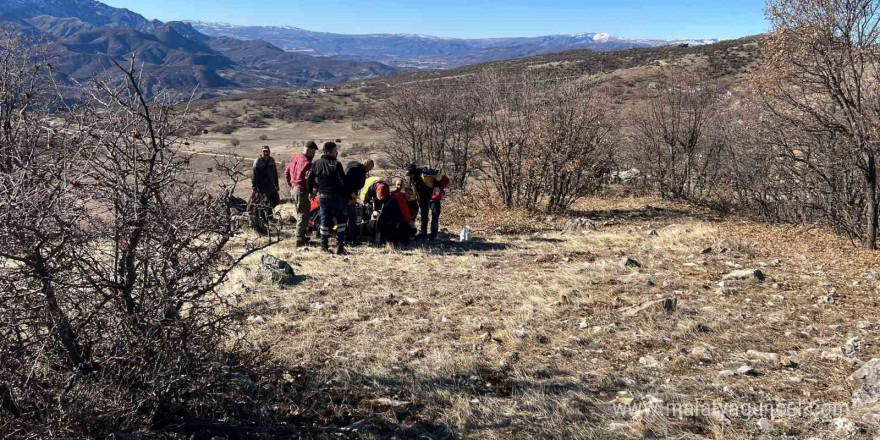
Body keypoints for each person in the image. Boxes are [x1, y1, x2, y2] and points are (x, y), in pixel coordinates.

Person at [307, 142, 349, 254]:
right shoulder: (337, 164)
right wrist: (348, 195)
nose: (337, 152)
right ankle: (340, 246)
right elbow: (343, 182)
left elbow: (309, 179)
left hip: (323, 198)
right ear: (328, 152)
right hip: (337, 197)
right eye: (335, 150)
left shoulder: (317, 163)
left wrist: (311, 193)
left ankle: (324, 246)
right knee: (341, 221)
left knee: (324, 221)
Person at [283, 141, 318, 247]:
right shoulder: (307, 163)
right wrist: (318, 187)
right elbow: (309, 180)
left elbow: (286, 172)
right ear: (310, 150)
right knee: (303, 215)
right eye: (314, 152)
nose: (314, 154)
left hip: (294, 189)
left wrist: (291, 185)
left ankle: (301, 236)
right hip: (302, 190)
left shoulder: (295, 158)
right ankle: (299, 239)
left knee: (300, 214)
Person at [405, 164, 450, 241]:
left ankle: (433, 234)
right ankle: (423, 233)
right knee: (424, 215)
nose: (410, 176)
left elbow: (439, 173)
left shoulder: (425, 172)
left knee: (435, 214)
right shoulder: (412, 178)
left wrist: (437, 186)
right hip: (423, 198)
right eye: (409, 174)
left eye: (411, 173)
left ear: (414, 171)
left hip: (434, 195)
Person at [343, 159, 375, 245]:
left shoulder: (354, 167)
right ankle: (350, 238)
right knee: (351, 217)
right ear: (366, 164)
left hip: (347, 195)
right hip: (348, 196)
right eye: (370, 167)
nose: (369, 169)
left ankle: (346, 237)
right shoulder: (357, 170)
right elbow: (347, 182)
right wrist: (351, 194)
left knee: (347, 217)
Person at [250, 146, 280, 234]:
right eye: (264, 151)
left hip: (271, 185)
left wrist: (277, 185)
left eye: (267, 151)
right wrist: (254, 186)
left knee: (275, 200)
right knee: (264, 202)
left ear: (270, 151)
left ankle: (268, 216)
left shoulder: (272, 160)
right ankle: (266, 218)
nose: (266, 153)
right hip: (261, 186)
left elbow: (275, 174)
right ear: (261, 152)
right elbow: (254, 175)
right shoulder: (257, 162)